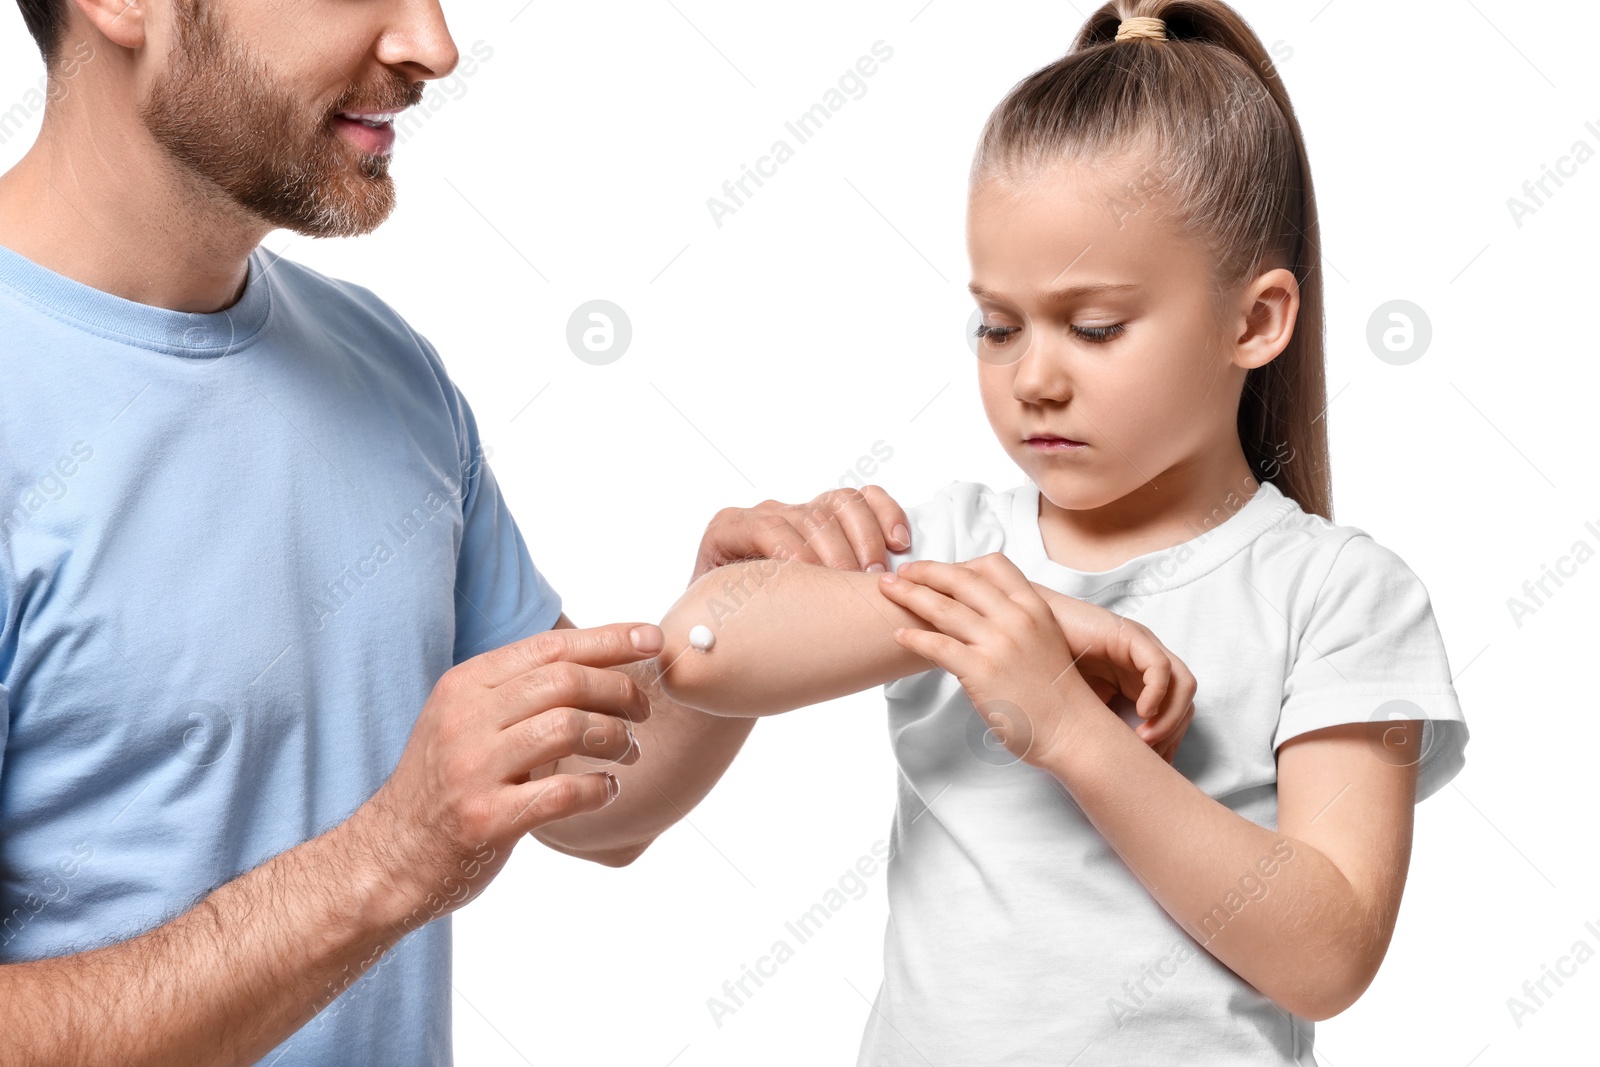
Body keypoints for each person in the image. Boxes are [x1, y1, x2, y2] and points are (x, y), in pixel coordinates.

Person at [0, 0, 921, 1063]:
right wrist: (391, 856)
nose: (432, 45)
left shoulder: (382, 367)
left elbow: (596, 804)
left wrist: (728, 629)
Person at [655, 3, 1471, 1064]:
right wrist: (1020, 613)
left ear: (1255, 320)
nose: (1033, 376)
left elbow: (1327, 952)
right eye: (997, 325)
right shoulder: (947, 540)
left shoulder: (1337, 594)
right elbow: (700, 644)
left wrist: (1069, 729)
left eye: (1094, 327)